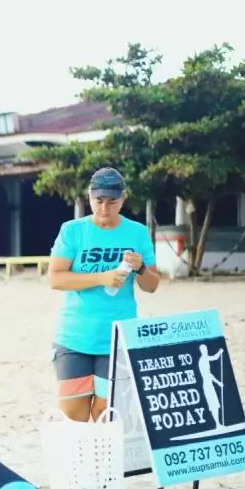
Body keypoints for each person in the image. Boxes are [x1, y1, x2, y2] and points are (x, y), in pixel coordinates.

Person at [47, 167, 160, 422]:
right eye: (99, 201)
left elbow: (151, 286)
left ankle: (103, 463)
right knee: (73, 418)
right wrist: (103, 277)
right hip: (74, 337)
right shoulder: (72, 230)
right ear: (89, 197)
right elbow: (55, 279)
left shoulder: (138, 233)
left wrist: (141, 267)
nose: (104, 209)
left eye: (112, 201)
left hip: (117, 338)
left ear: (124, 199)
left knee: (106, 417)